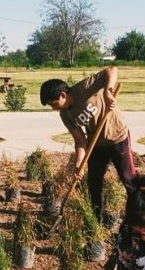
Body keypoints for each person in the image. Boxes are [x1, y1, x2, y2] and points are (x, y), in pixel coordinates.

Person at [40, 66, 135, 219]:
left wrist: (107, 91)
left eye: (54, 104)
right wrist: (79, 164)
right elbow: (79, 140)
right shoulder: (65, 115)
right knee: (94, 185)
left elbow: (112, 70)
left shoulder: (84, 88)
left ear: (63, 95)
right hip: (96, 144)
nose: (54, 109)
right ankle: (96, 220)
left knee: (129, 180)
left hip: (118, 136)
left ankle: (139, 217)